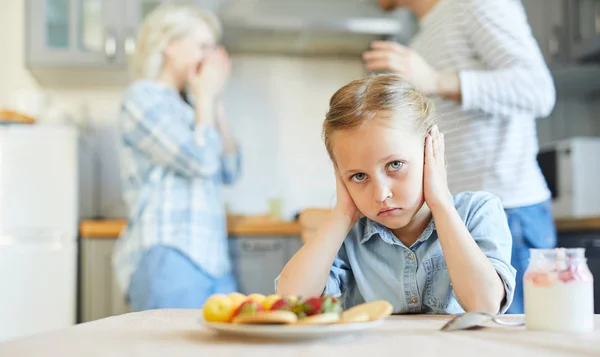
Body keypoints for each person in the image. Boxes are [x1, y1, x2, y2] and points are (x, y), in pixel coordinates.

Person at [363, 0, 557, 313]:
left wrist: (437, 81)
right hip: (456, 215)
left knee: (513, 348)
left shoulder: (477, 4)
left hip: (508, 211)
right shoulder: (422, 35)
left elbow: (538, 90)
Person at [276, 74, 516, 315]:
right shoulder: (347, 236)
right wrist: (343, 212)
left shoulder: (478, 211)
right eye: (358, 176)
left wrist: (441, 204)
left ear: (430, 151)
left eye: (395, 165)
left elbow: (485, 305)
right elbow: (292, 302)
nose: (381, 194)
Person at [112, 4, 241, 311]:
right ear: (169, 45)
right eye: (202, 46)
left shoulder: (193, 107)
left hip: (213, 259)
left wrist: (213, 100)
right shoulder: (143, 98)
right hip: (169, 251)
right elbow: (200, 160)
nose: (211, 56)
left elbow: (230, 169)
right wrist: (206, 98)